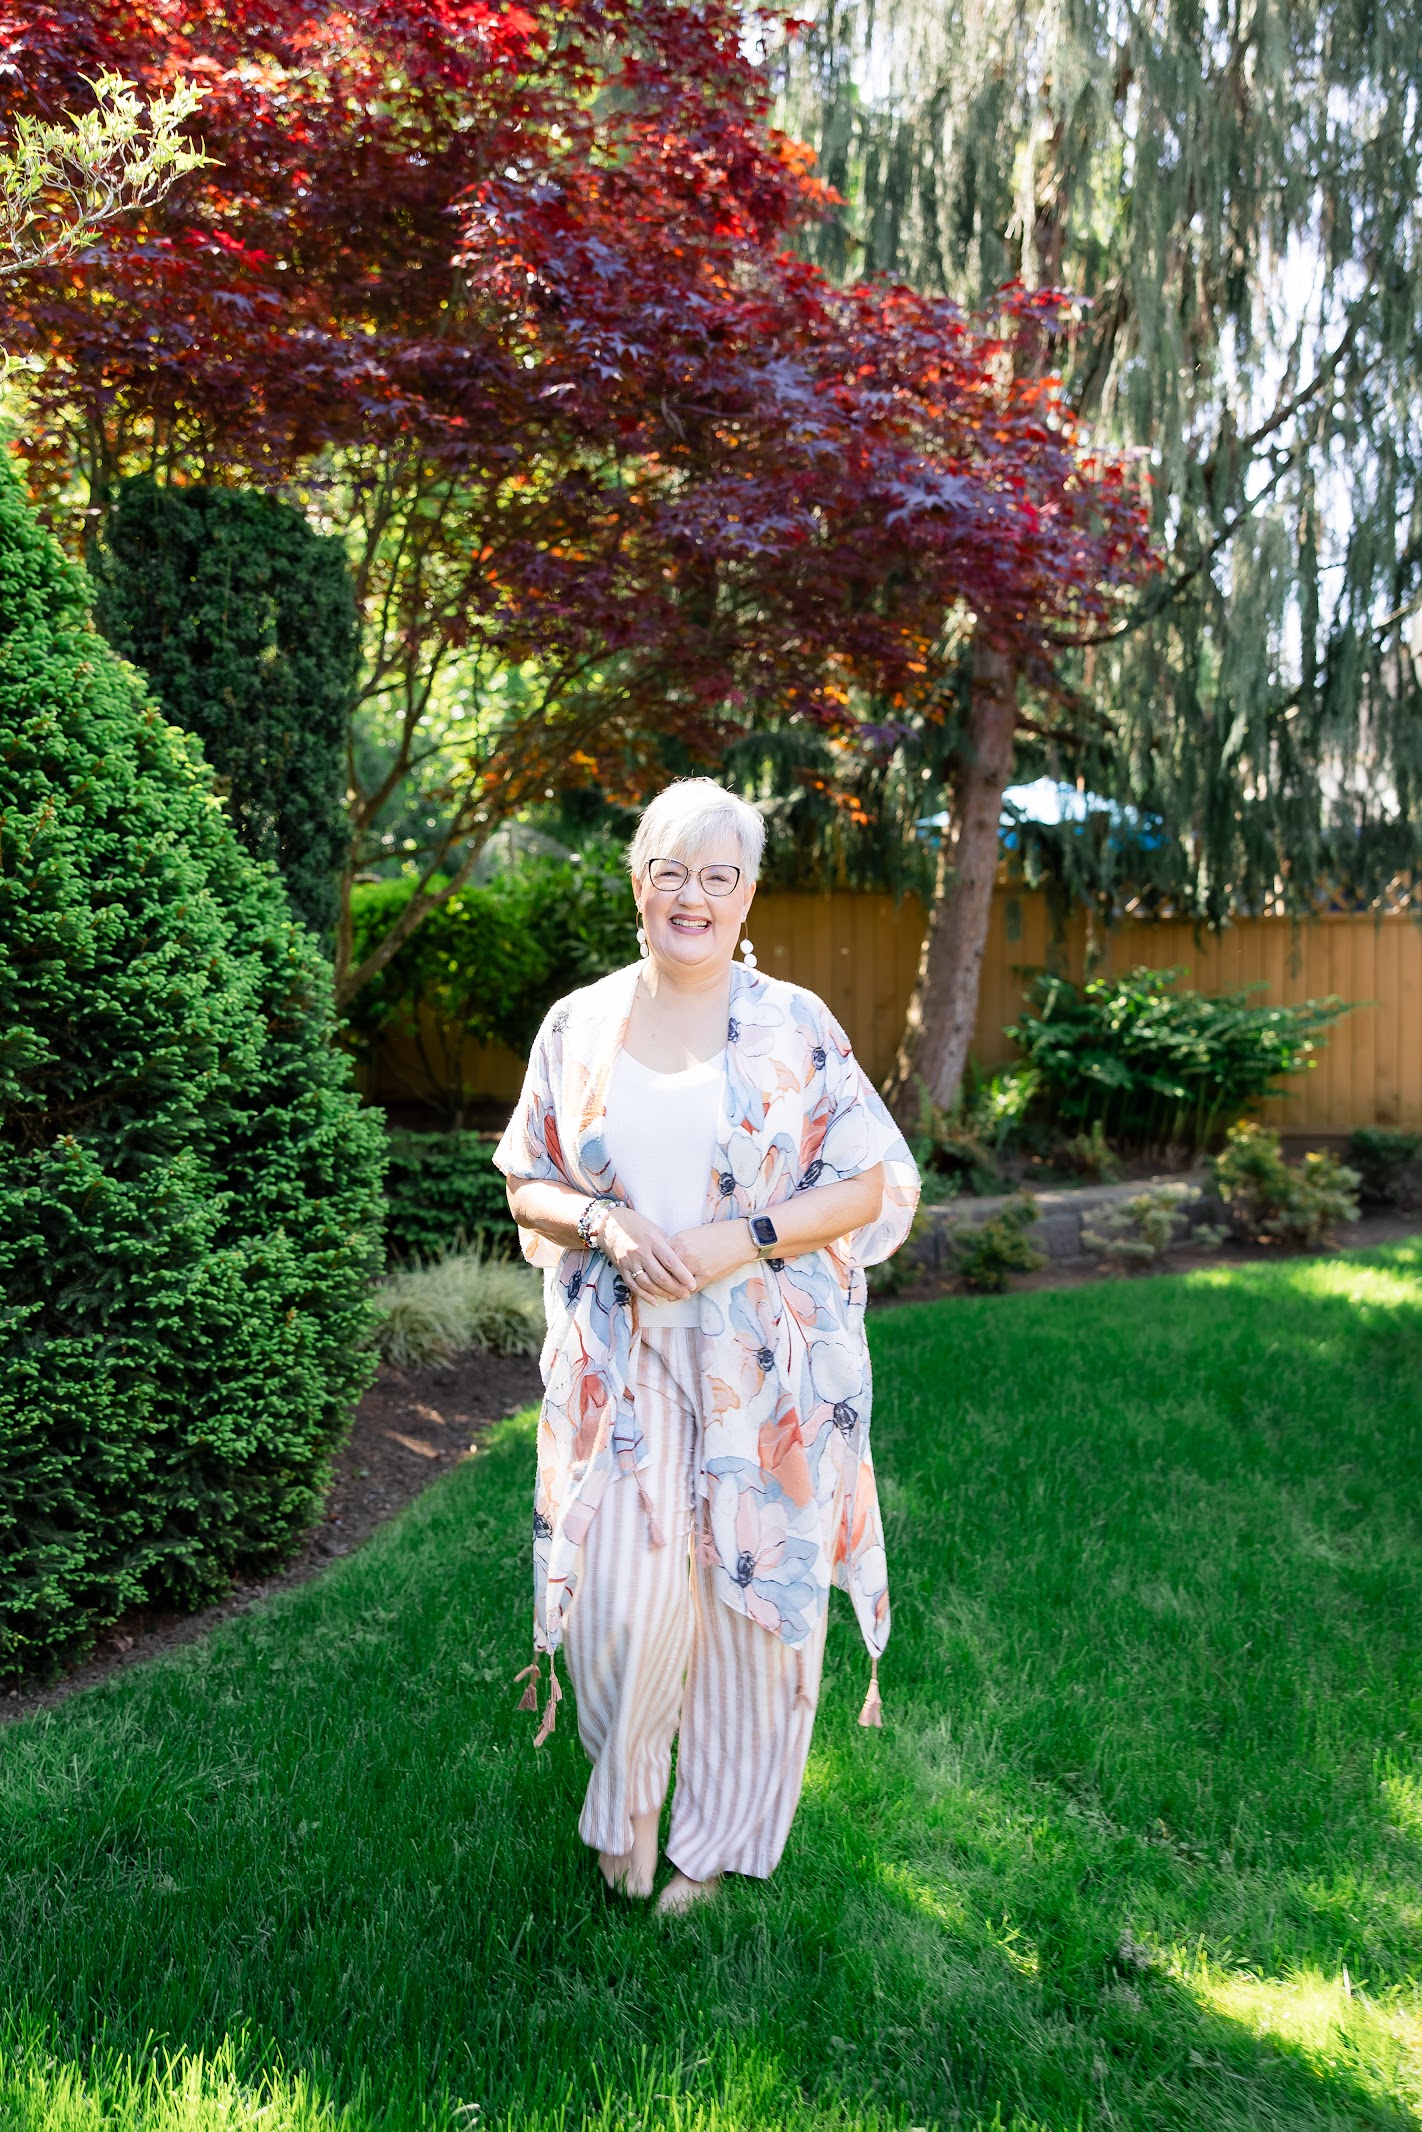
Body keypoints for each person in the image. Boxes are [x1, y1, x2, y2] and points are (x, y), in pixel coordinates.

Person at [493, 778, 919, 1912]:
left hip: (761, 1366)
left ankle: (713, 1842)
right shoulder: (579, 1024)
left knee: (751, 1604)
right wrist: (604, 1222)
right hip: (617, 1358)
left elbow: (867, 1184)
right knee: (616, 1603)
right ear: (638, 883)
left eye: (719, 875)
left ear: (748, 895)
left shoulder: (797, 1024)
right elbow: (527, 1179)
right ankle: (629, 1795)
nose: (694, 894)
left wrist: (745, 1236)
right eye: (672, 870)